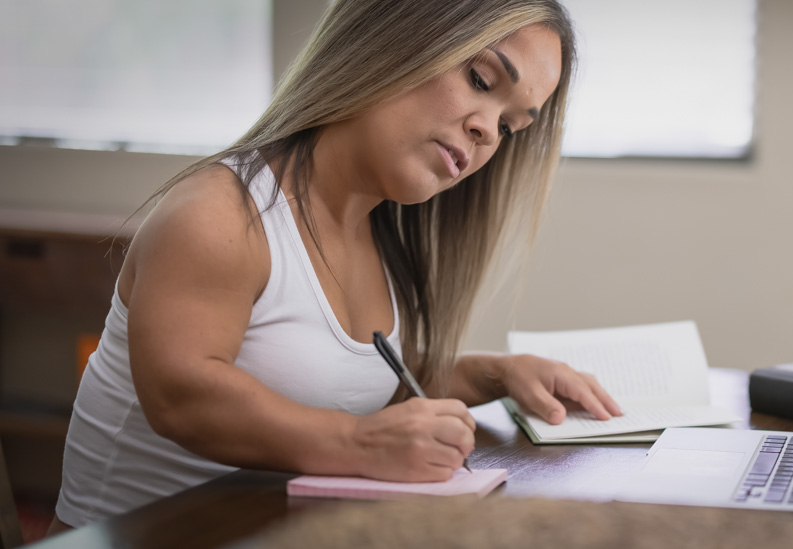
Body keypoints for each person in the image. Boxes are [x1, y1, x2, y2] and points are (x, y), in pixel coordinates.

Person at [50, 0, 622, 532]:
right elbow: (181, 396)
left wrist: (496, 374)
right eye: (480, 79)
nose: (485, 131)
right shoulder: (218, 214)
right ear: (393, 37)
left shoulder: (378, 234)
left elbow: (346, 382)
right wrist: (362, 443)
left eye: (509, 127)